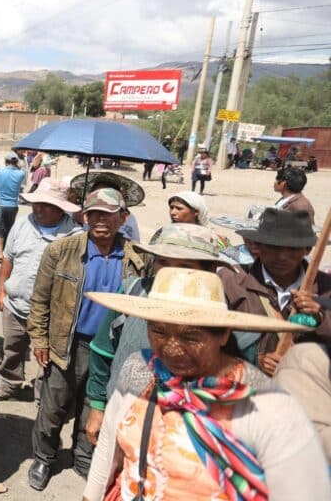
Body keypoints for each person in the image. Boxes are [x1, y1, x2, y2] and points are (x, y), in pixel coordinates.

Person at [82, 267, 329, 501]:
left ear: (223, 334)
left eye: (190, 337)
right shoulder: (138, 369)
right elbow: (107, 449)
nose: (171, 348)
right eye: (159, 332)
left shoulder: (257, 399)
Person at [83, 223, 276, 447]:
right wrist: (97, 406)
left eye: (185, 265)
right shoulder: (133, 292)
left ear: (209, 270)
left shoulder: (221, 314)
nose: (171, 272)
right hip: (123, 414)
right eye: (163, 262)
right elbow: (103, 350)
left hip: (188, 436)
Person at [26, 189, 145, 491]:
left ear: (124, 217)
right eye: (93, 213)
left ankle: (83, 455)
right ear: (84, 216)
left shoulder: (136, 257)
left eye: (108, 214)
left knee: (94, 406)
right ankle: (43, 456)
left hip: (110, 348)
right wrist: (39, 338)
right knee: (53, 407)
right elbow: (40, 299)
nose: (100, 220)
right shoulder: (61, 250)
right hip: (69, 342)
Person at [0, 179, 82, 401]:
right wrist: (1, 291)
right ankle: (9, 384)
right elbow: (8, 259)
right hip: (16, 304)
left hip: (51, 312)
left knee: (46, 356)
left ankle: (43, 395)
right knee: (12, 348)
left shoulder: (75, 236)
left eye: (46, 205)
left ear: (61, 208)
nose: (38, 209)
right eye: (37, 203)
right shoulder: (23, 224)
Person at [235, 208, 331, 374]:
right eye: (273, 247)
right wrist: (254, 360)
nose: (282, 257)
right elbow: (214, 339)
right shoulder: (233, 281)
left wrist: (320, 318)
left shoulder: (326, 287)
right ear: (258, 246)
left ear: (307, 250)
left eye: (293, 249)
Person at [70, 172, 143, 242]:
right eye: (98, 192)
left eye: (107, 193)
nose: (101, 217)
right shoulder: (77, 211)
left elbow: (135, 241)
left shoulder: (130, 217)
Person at [0, 152, 26, 255]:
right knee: (9, 228)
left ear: (5, 161)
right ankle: (7, 250)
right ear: (16, 162)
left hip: (0, 205)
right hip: (13, 206)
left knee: (1, 229)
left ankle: (0, 252)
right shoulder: (21, 174)